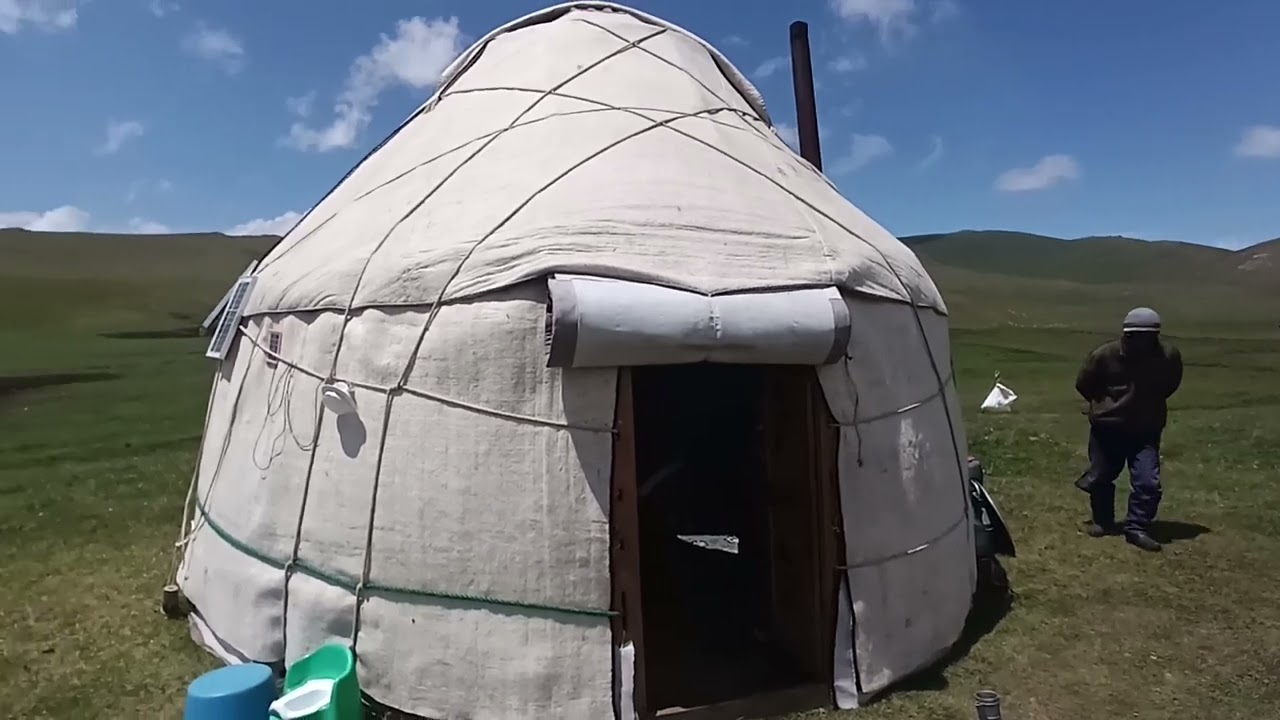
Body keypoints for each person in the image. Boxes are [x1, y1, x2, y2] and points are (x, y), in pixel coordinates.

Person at [1073, 307, 1183, 552]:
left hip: (1146, 429)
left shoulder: (1168, 356)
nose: (1141, 342)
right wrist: (1107, 406)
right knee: (1102, 476)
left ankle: (1137, 527)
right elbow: (1084, 384)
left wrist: (1146, 404)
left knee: (1148, 482)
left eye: (1147, 337)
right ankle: (1102, 521)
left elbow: (1170, 383)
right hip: (1107, 428)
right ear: (1127, 334)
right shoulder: (1104, 355)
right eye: (1136, 336)